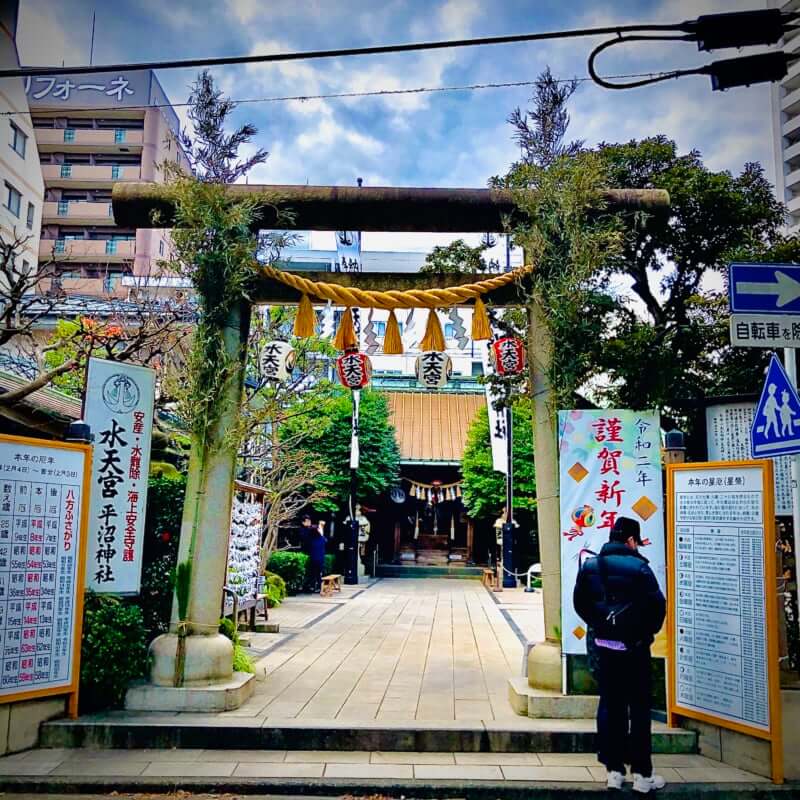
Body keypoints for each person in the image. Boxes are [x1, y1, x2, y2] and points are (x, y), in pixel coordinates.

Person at [573, 516, 666, 794]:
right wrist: (643, 633)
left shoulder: (591, 566)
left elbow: (580, 604)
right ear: (631, 541)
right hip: (634, 649)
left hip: (604, 647)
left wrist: (601, 623)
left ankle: (613, 771)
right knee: (638, 709)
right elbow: (657, 607)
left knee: (610, 706)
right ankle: (642, 775)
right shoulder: (640, 568)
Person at [306, 518, 326, 594]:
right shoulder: (321, 539)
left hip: (313, 558)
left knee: (312, 573)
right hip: (320, 559)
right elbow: (324, 539)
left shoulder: (311, 539)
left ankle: (312, 586)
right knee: (319, 574)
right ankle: (319, 588)